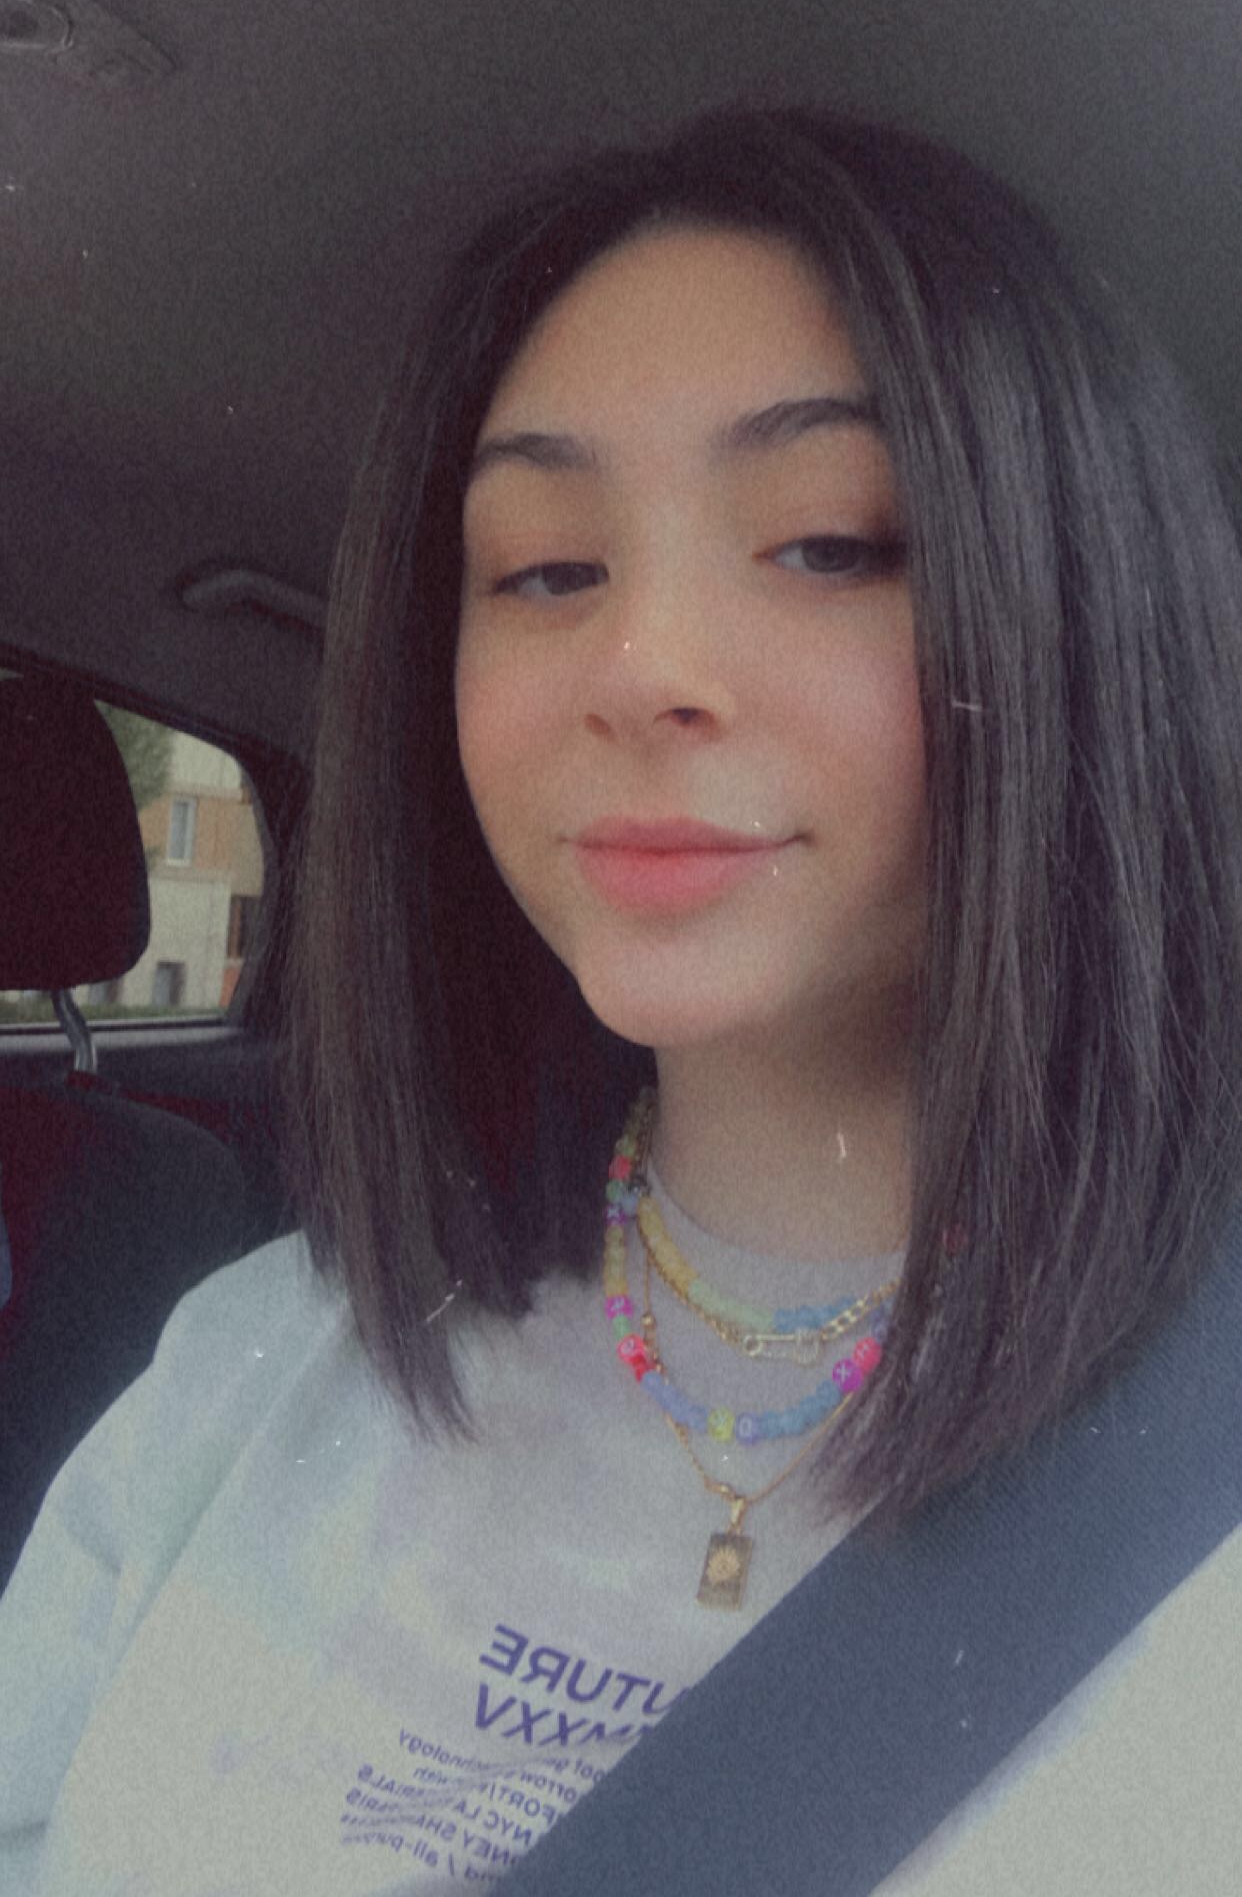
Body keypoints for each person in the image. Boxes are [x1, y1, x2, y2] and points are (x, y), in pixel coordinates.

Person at [1, 102, 1240, 1894]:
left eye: (829, 543)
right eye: (546, 572)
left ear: (1084, 618)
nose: (640, 664)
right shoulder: (263, 1361)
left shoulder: (1186, 1470)